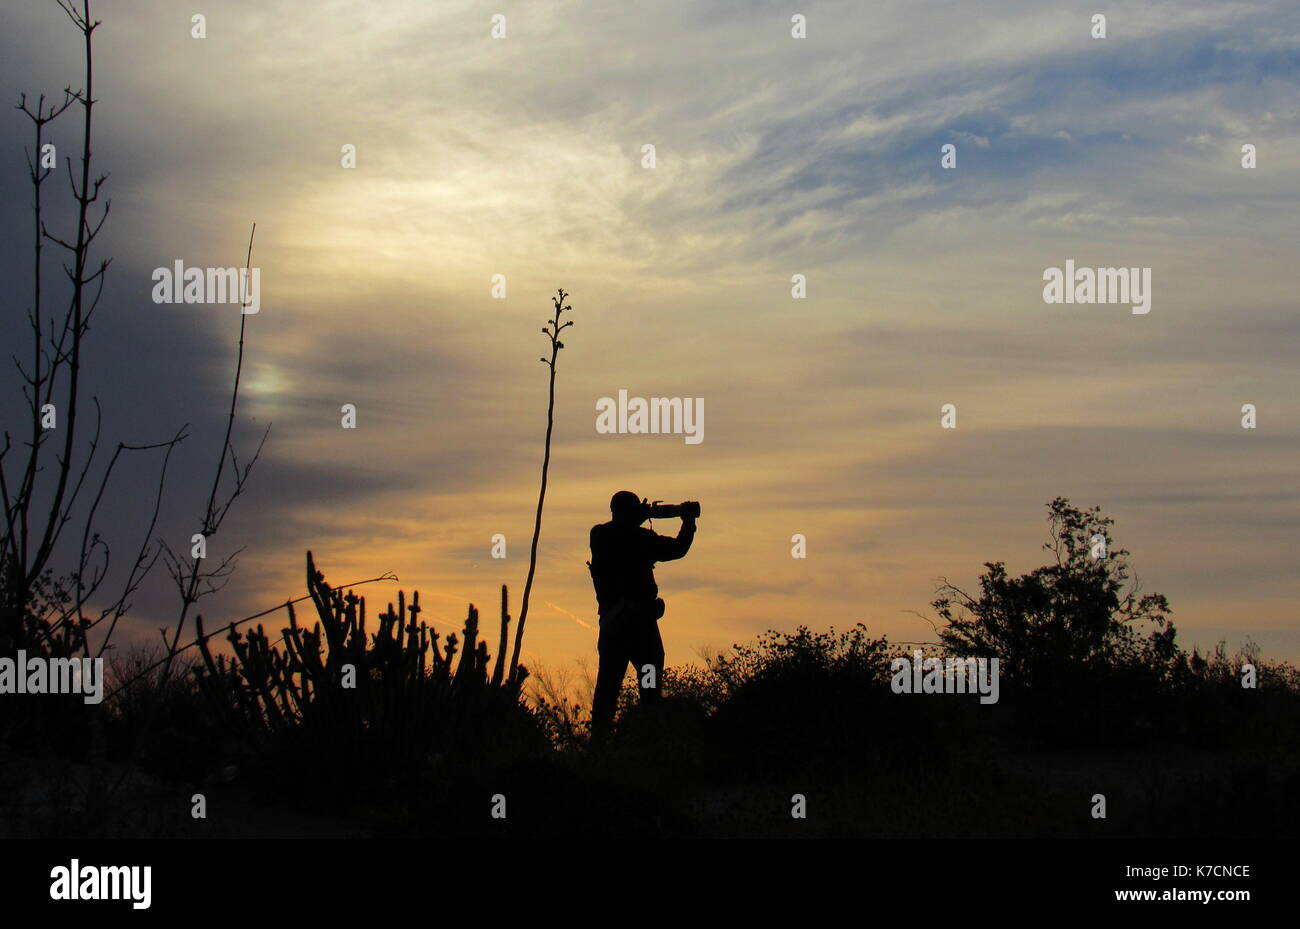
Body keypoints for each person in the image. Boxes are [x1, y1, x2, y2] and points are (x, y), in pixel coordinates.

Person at [587, 490, 696, 740]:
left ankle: (610, 740)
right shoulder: (610, 534)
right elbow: (677, 549)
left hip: (620, 625)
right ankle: (633, 737)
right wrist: (687, 523)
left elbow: (675, 550)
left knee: (615, 686)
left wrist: (686, 523)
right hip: (635, 627)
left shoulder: (603, 534)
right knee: (623, 684)